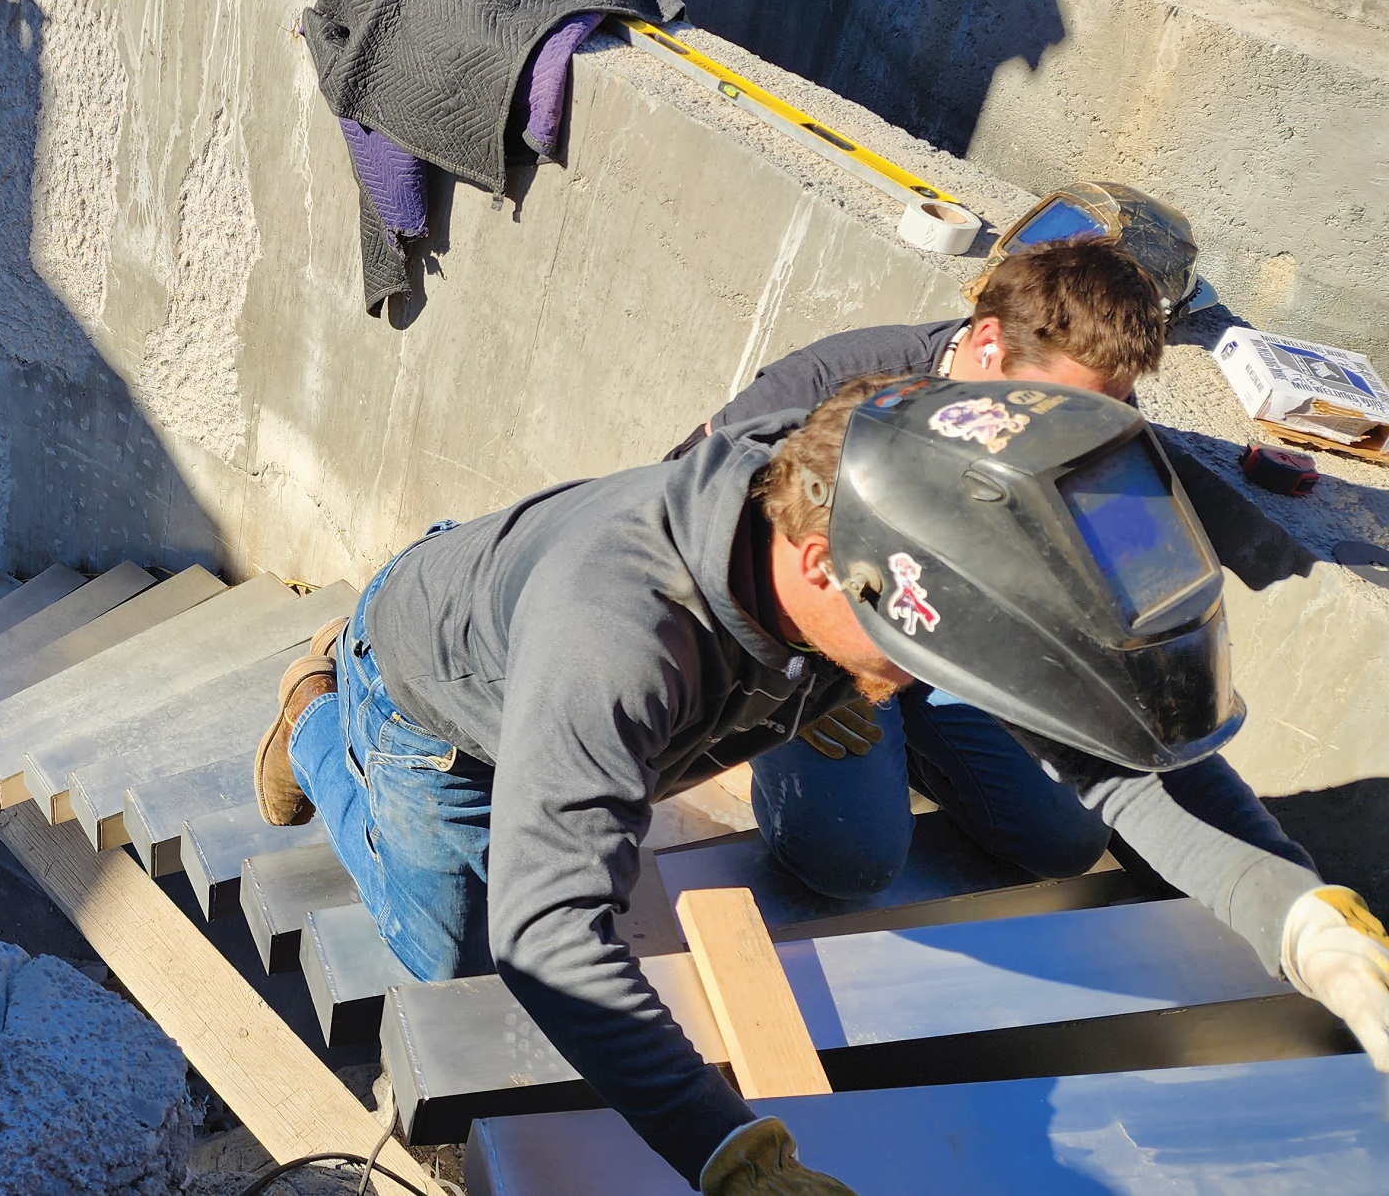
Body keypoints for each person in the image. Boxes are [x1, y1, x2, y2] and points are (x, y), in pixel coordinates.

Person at [253, 375, 1389, 1195]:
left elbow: (1113, 760)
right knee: (462, 973)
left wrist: (1302, 918)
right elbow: (548, 933)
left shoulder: (873, 512)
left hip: (542, 633)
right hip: (432, 703)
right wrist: (731, 1153)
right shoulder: (620, 638)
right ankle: (314, 719)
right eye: (912, 653)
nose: (922, 687)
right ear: (815, 567)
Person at [659, 235, 1306, 902]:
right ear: (989, 342)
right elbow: (676, 521)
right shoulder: (834, 383)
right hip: (824, 654)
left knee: (1064, 841)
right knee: (850, 862)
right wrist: (780, 686)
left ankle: (915, 746)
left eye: (1105, 407)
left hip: (955, 643)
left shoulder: (1086, 411)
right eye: (1056, 404)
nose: (1067, 431)